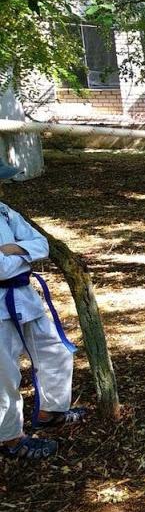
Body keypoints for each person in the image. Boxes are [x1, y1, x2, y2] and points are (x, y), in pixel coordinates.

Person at [0, 161, 86, 460]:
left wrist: (19, 251)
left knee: (56, 350)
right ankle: (11, 438)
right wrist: (24, 256)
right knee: (4, 374)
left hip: (24, 296)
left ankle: (52, 411)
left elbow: (42, 245)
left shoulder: (5, 211)